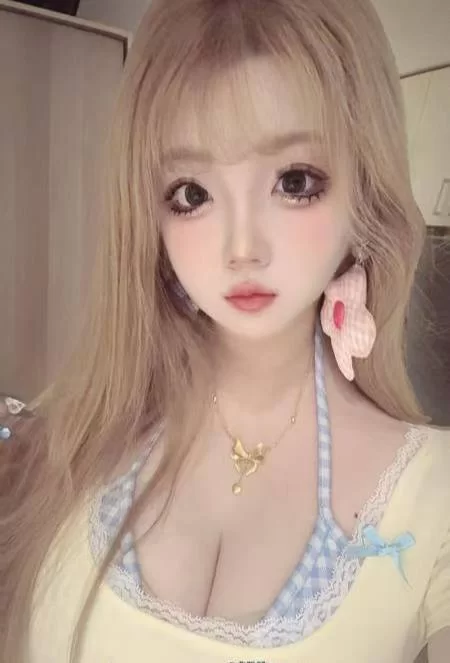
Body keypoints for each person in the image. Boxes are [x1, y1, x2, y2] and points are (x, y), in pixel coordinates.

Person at [1, 0, 449, 661]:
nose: (242, 249)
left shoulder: (433, 496)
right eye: (192, 194)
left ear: (365, 191)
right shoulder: (79, 435)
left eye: (294, 181)